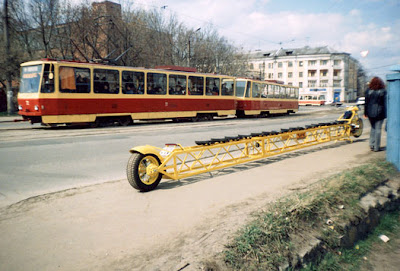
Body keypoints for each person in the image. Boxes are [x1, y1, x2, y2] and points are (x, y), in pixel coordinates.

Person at [364, 77, 387, 152]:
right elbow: (385, 103)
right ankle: (376, 147)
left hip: (370, 112)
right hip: (380, 112)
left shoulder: (368, 91)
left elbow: (366, 103)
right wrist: (386, 113)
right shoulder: (383, 91)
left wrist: (365, 113)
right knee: (378, 129)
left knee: (373, 128)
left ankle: (371, 144)